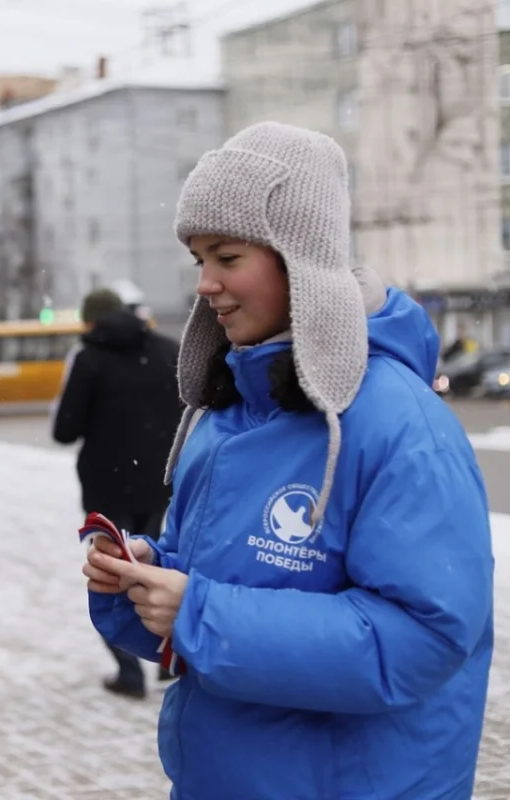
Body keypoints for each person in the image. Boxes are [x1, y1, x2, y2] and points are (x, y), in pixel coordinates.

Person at [85, 122, 493, 798]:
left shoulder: (400, 424)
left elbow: (421, 640)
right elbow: (232, 586)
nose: (205, 284)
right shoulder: (226, 415)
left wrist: (200, 611)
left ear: (299, 260)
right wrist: (149, 582)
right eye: (198, 260)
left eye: (227, 257)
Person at [52, 287, 182, 698]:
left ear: (91, 321)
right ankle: (168, 658)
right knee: (160, 567)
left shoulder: (88, 359)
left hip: (107, 491)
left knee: (112, 577)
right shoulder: (167, 349)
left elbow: (64, 429)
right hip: (161, 484)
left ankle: (129, 671)